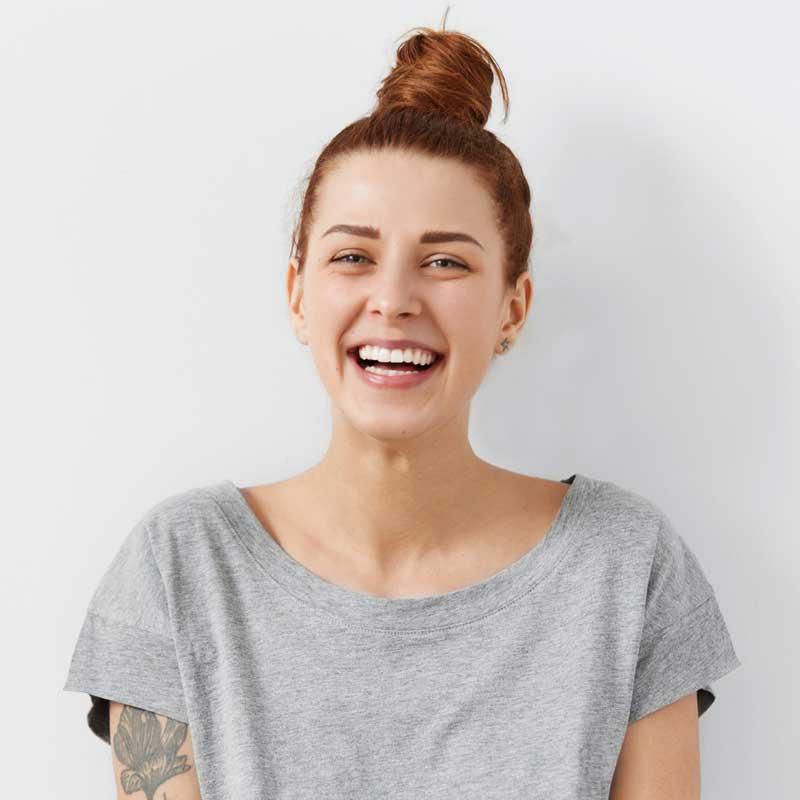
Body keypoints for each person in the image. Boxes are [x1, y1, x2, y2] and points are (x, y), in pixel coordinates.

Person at [62, 16, 742, 800]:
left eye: (445, 261)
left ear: (513, 308)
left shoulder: (626, 565)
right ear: (298, 295)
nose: (392, 300)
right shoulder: (181, 567)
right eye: (353, 256)